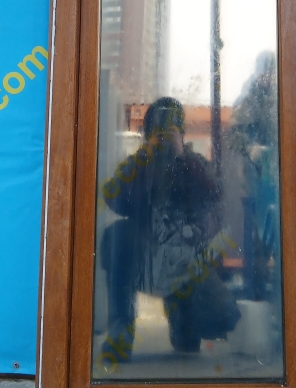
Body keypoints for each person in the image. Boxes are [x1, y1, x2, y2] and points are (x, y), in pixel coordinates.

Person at [99, 97, 240, 364]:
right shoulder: (140, 163)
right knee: (114, 236)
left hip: (185, 260)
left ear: (182, 135)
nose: (164, 138)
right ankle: (121, 333)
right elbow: (113, 198)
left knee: (219, 321)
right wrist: (143, 160)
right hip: (146, 256)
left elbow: (214, 196)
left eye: (171, 132)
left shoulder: (194, 162)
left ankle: (183, 320)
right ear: (147, 136)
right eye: (158, 132)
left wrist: (182, 158)